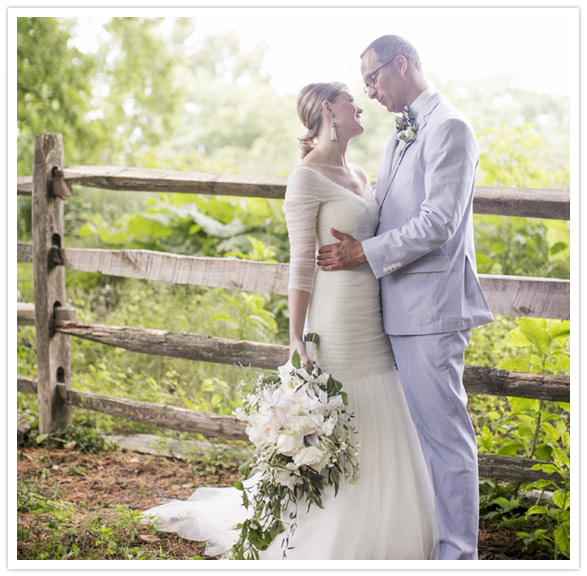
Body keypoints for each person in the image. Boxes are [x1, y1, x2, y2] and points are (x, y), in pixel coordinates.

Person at [141, 82, 439, 560]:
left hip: (374, 313)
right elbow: (301, 260)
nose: (360, 105)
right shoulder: (305, 177)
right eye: (351, 99)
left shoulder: (362, 172)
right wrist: (296, 334)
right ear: (328, 109)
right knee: (345, 408)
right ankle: (326, 536)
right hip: (337, 317)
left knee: (382, 405)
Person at [316, 35, 494, 560]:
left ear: (401, 64)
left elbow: (438, 222)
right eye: (365, 83)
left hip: (432, 310)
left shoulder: (451, 127)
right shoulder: (399, 135)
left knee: (445, 438)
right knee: (417, 441)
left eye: (373, 77)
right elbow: (383, 207)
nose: (369, 91)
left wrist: (363, 254)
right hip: (393, 310)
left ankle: (459, 557)